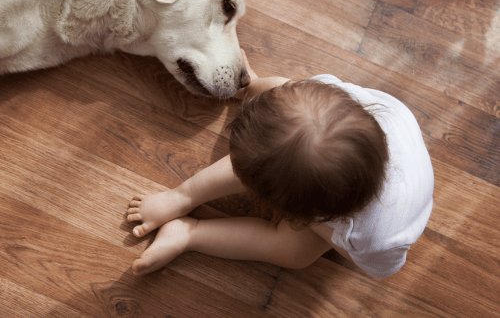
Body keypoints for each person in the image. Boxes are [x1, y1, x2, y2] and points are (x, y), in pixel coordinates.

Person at [127, 51, 434, 278]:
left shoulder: (373, 240)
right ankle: (181, 197)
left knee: (295, 252)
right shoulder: (332, 97)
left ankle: (190, 234)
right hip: (370, 146)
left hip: (349, 219)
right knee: (281, 134)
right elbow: (286, 94)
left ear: (299, 216)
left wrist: (317, 227)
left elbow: (379, 267)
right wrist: (254, 86)